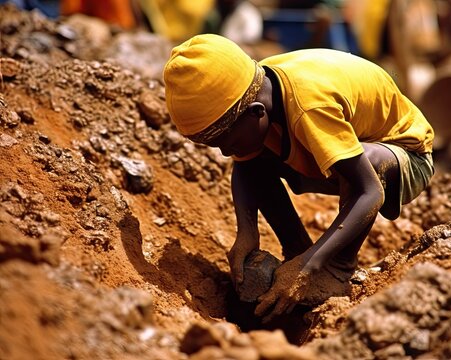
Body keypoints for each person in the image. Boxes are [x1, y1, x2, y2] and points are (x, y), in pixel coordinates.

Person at [163, 34, 434, 322]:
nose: (224, 153)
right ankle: (297, 248)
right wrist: (247, 231)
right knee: (255, 157)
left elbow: (370, 191)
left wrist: (308, 267)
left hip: (403, 157)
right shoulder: (255, 90)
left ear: (256, 112)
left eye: (224, 142)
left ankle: (338, 268)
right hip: (336, 150)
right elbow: (245, 167)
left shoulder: (309, 107)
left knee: (370, 162)